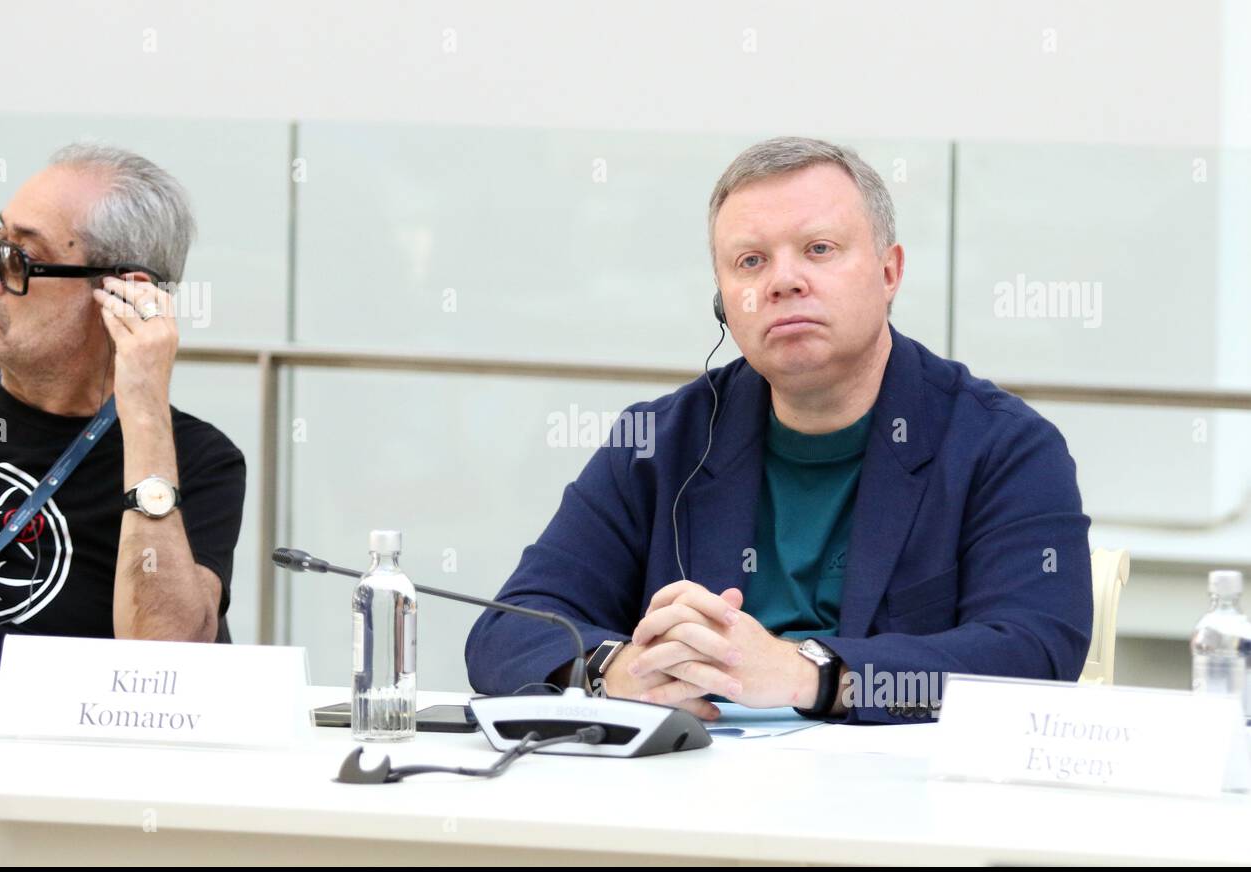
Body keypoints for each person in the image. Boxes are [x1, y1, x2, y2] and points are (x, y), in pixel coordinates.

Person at [465, 136, 1092, 723]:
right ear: (722, 300)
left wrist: (811, 675)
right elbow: (507, 632)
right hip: (687, 794)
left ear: (889, 272)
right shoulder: (657, 443)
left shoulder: (1004, 447)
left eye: (819, 249)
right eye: (750, 261)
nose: (783, 280)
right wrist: (616, 669)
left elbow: (1033, 656)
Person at [0, 143, 245, 670]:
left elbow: (166, 664)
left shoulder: (199, 459)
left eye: (21, 258)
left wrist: (146, 412)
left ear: (122, 294)